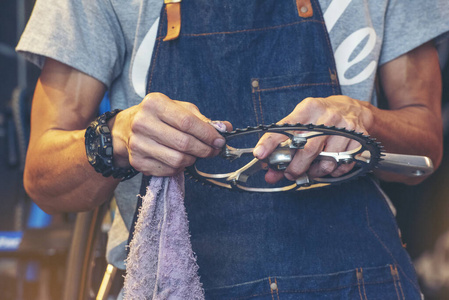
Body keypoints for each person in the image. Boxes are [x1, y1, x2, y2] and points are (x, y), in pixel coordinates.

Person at [17, 0, 449, 298]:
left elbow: (425, 149)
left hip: (359, 283)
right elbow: (44, 181)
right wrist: (117, 137)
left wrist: (364, 121)